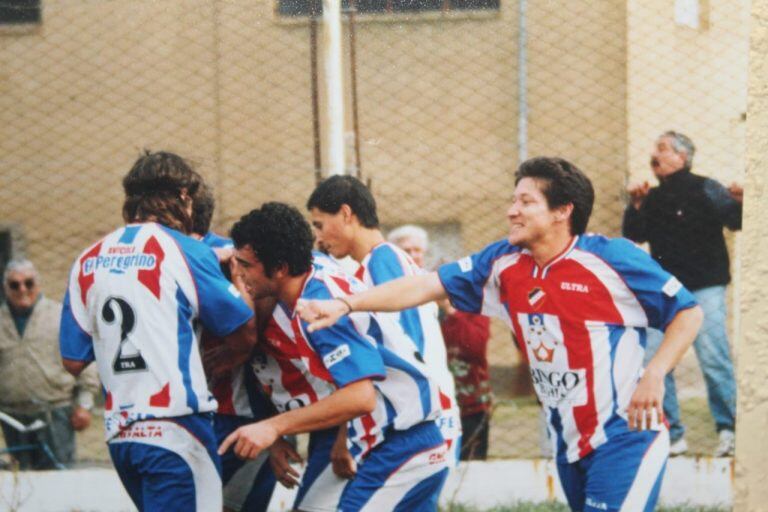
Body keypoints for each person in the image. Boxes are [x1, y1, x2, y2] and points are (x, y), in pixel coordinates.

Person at [298, 157, 704, 512]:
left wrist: (655, 373)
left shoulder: (610, 259)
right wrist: (347, 304)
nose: (512, 210)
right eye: (513, 200)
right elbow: (425, 285)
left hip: (624, 435)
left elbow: (688, 312)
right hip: (569, 443)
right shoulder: (503, 263)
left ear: (563, 210)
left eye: (526, 202)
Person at [59, 151, 258, 511]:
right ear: (184, 195)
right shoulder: (184, 251)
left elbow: (72, 360)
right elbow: (242, 329)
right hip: (176, 429)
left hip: (122, 436)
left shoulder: (87, 258)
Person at [219, 202, 449, 512]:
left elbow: (360, 398)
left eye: (245, 264)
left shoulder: (319, 307)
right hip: (397, 442)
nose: (240, 273)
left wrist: (272, 427)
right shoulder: (310, 273)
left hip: (402, 445)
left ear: (280, 268)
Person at [306, 176, 461, 468]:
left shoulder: (383, 261)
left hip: (422, 421)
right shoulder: (376, 263)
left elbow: (409, 346)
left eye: (320, 224)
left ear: (346, 214)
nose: (318, 237)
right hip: (422, 417)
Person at [623, 131, 741, 457]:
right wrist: (634, 205)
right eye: (654, 148)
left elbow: (736, 221)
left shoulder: (707, 187)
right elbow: (633, 234)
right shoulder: (653, 197)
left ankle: (730, 430)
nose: (654, 155)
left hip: (706, 288)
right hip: (667, 294)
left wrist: (744, 199)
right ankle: (670, 433)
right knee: (655, 360)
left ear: (682, 156)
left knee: (714, 358)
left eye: (662, 149)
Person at [191, 183, 277, 512]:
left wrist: (239, 347)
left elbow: (266, 301)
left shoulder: (229, 256)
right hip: (194, 410)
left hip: (240, 412)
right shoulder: (167, 257)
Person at [388, 224, 493, 461]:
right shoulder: (398, 295)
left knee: (468, 462)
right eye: (406, 250)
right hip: (420, 397)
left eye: (417, 250)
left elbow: (475, 347)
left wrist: (451, 310)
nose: (413, 255)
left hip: (468, 399)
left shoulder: (462, 300)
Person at [0, 258, 98, 469]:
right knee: (21, 483)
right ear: (5, 288)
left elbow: (85, 364)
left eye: (29, 283)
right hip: (11, 418)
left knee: (59, 481)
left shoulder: (59, 316)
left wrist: (85, 404)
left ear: (38, 283)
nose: (22, 289)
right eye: (14, 285)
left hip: (55, 414)